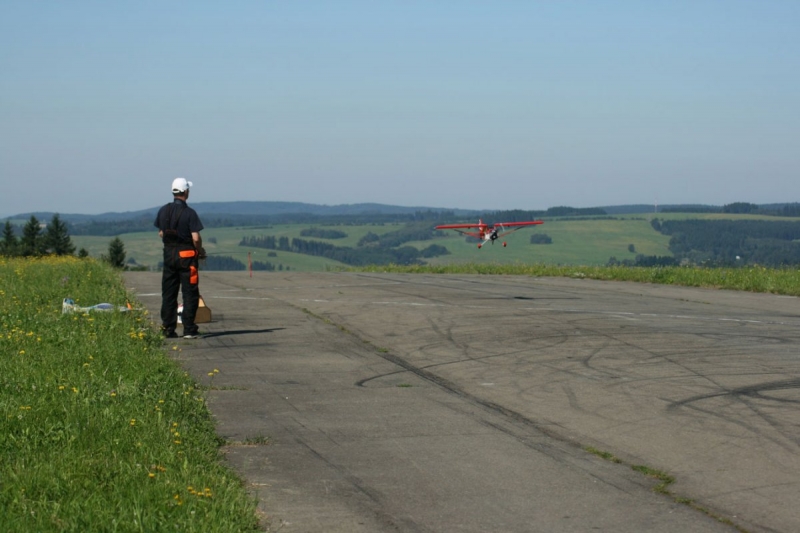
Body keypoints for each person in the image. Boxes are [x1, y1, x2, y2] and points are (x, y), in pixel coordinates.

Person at [154, 177, 206, 338]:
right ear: (186, 192)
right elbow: (195, 238)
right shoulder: (190, 213)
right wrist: (200, 251)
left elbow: (161, 232)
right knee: (190, 293)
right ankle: (189, 328)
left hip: (169, 257)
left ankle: (168, 329)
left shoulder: (163, 210)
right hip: (187, 258)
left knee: (169, 293)